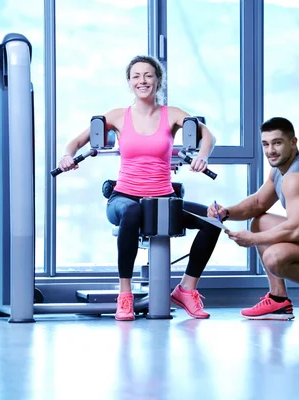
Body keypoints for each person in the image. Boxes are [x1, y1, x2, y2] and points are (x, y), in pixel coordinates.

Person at [58, 55, 221, 321]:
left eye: (148, 75)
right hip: (123, 198)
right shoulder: (118, 116)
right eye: (136, 76)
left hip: (163, 199)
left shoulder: (173, 114)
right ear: (129, 82)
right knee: (132, 211)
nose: (142, 81)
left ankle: (186, 289)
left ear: (158, 80)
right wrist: (67, 157)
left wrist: (203, 156)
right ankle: (126, 296)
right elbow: (75, 142)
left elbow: (209, 136)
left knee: (212, 221)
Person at [208, 117, 299, 324]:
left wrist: (253, 239)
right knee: (259, 221)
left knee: (274, 257)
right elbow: (258, 203)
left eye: (277, 143)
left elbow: (297, 231)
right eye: (266, 144)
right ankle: (278, 300)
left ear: (293, 142)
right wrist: (225, 212)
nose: (271, 151)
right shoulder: (280, 170)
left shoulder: (298, 177)